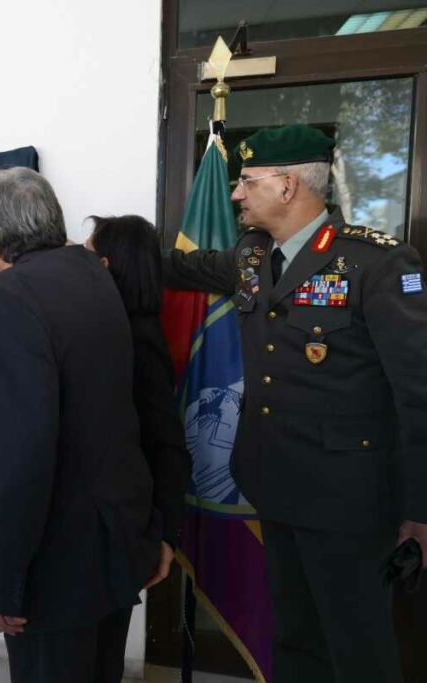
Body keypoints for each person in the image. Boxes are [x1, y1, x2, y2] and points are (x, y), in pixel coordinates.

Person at [163, 124, 427, 683]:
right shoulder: (254, 253)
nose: (237, 194)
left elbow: (419, 394)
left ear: (287, 186)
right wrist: (100, 256)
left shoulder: (376, 264)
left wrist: (420, 509)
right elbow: (188, 266)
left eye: (248, 181)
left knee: (357, 649)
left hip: (349, 500)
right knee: (294, 639)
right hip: (275, 483)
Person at [0, 167, 163, 683]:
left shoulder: (6, 297)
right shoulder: (95, 274)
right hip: (110, 547)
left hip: (53, 570)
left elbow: (22, 456)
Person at [86, 214, 192, 679]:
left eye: (88, 254)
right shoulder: (122, 327)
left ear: (107, 266)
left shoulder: (133, 338)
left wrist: (165, 535)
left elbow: (166, 443)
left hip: (121, 529)